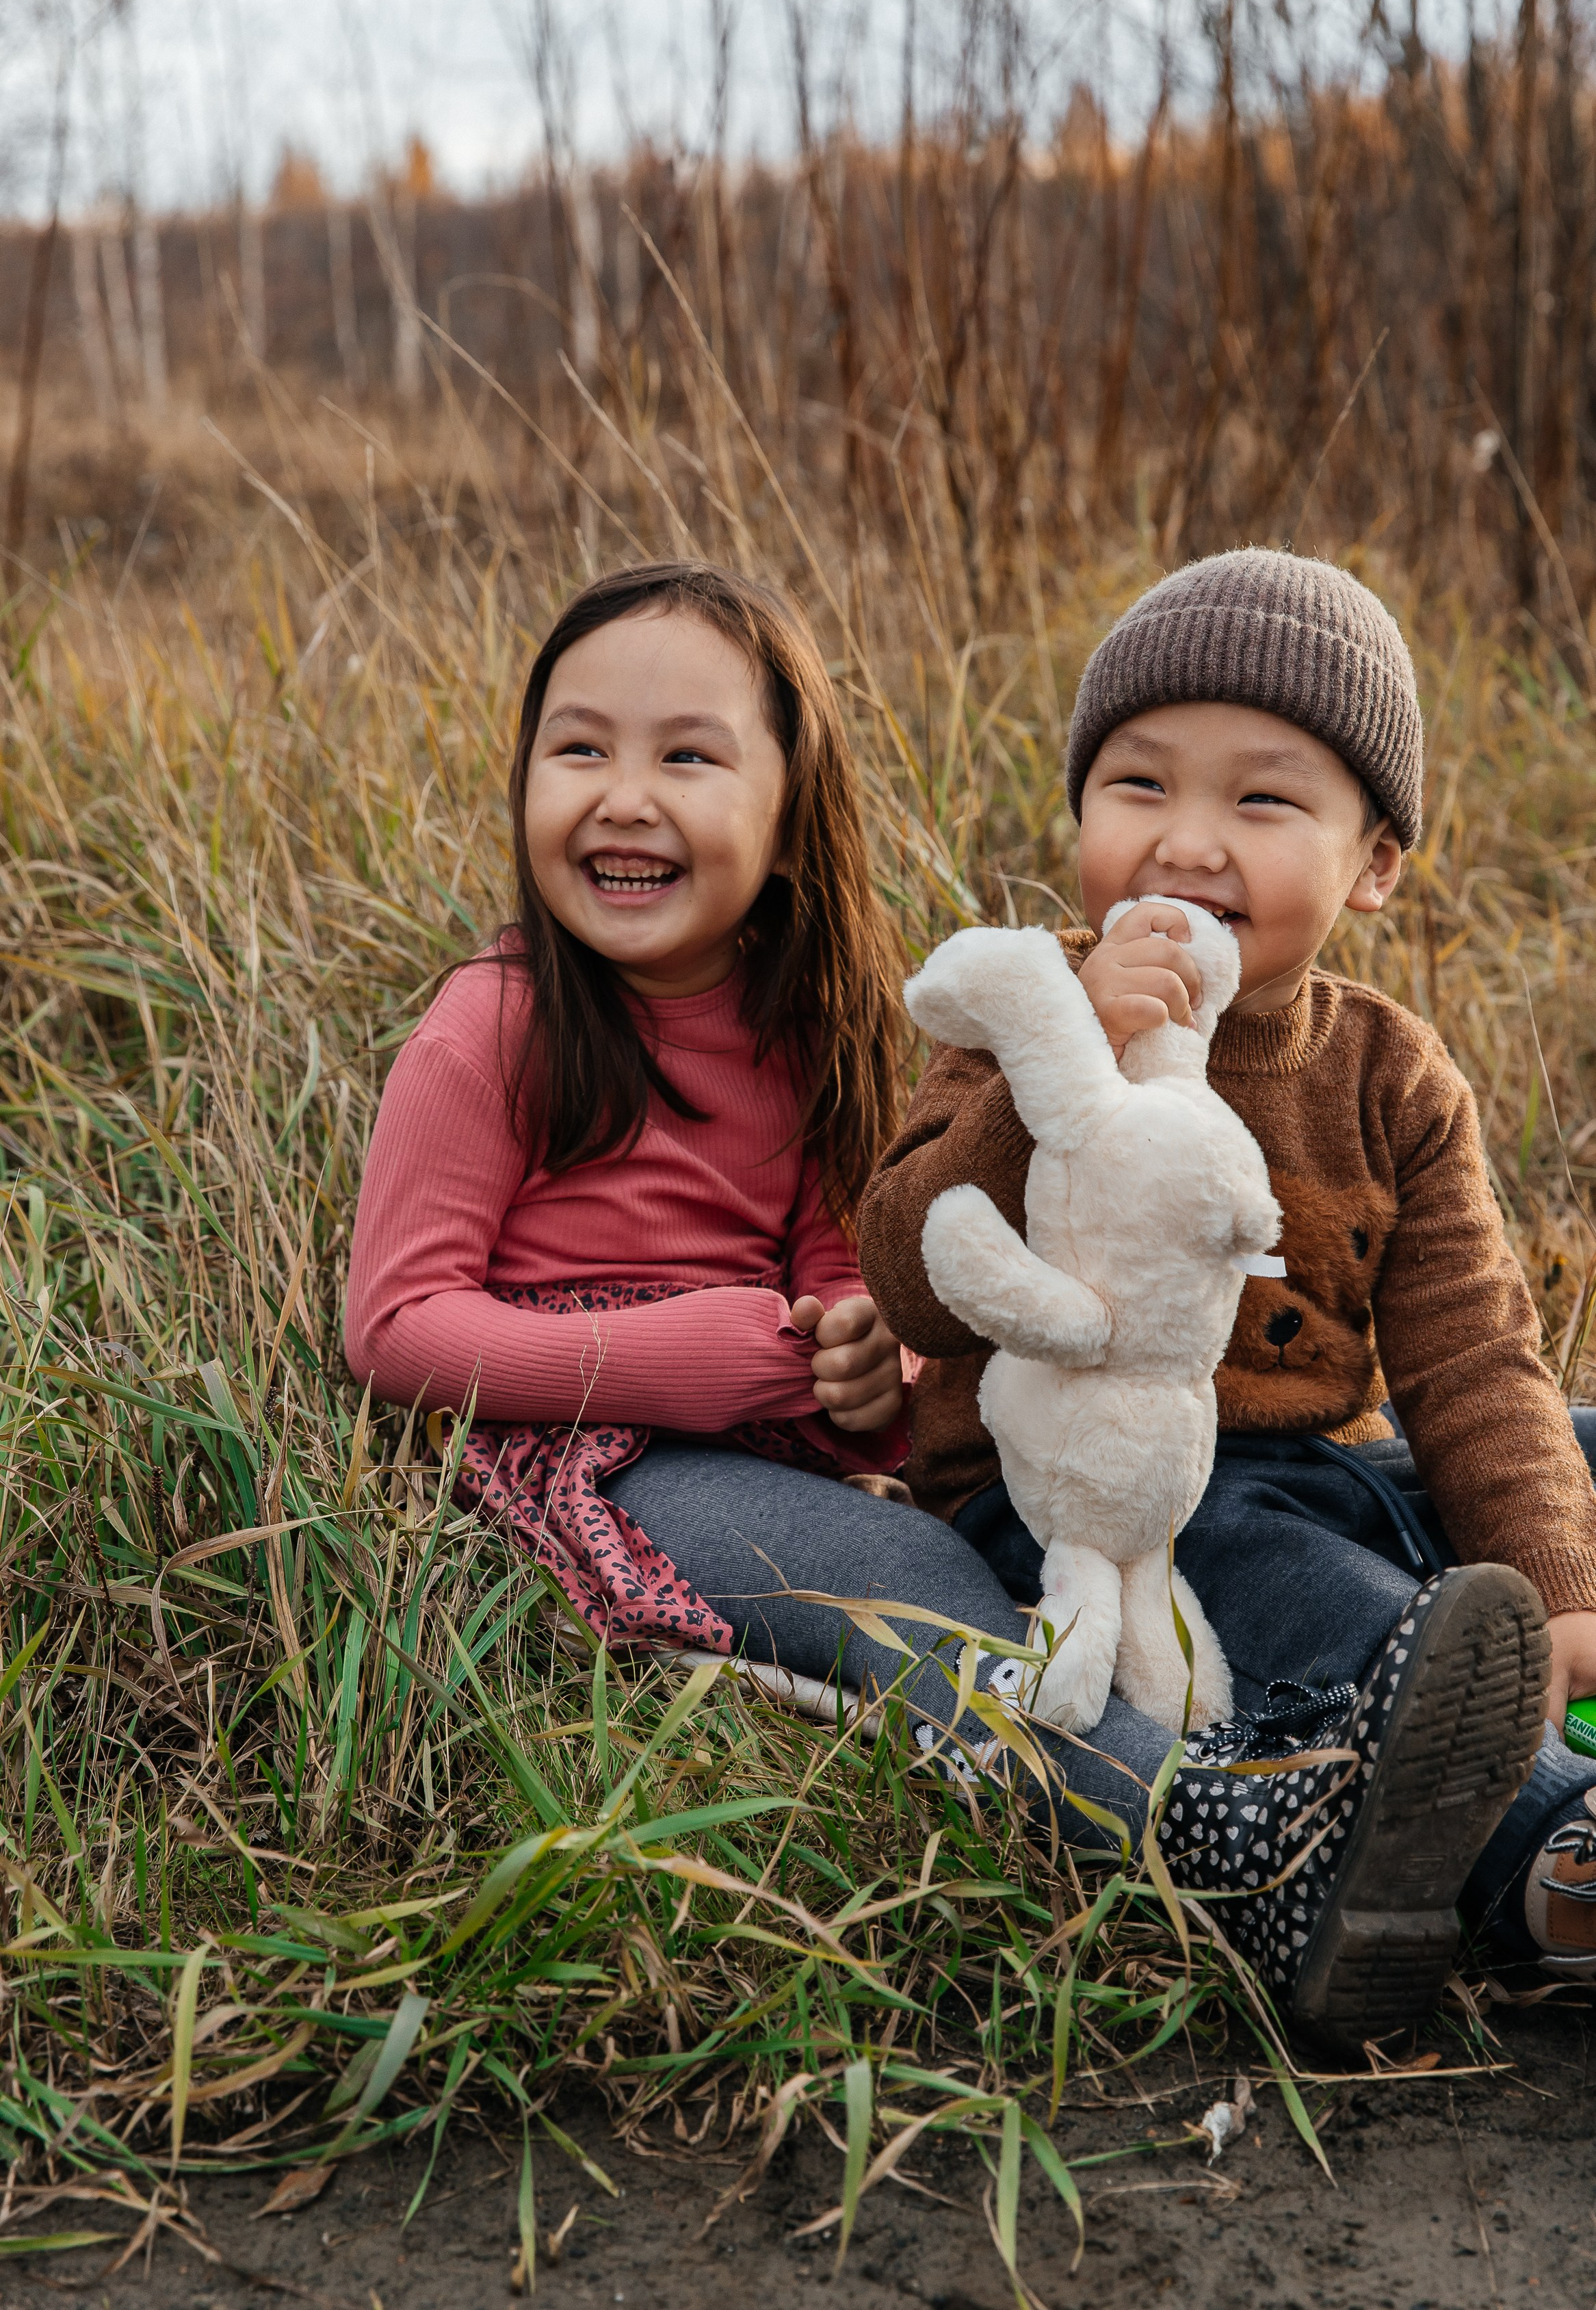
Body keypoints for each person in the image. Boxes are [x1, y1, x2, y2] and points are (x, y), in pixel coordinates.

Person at [859, 547, 1596, 2048]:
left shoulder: (1392, 1072)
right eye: (1138, 786)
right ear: (1079, 814)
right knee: (1363, 1618)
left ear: (1375, 863)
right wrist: (1036, 1089)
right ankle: (1556, 1856)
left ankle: (1519, 1656)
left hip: (1329, 1469)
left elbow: (1472, 1360)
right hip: (1099, 1507)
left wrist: (1555, 1573)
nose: (1184, 845)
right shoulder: (1021, 1007)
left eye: (1261, 801)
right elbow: (906, 1270)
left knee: (1562, 1454)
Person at [345, 562, 1069, 1787]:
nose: (623, 800)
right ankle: (1193, 1820)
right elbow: (397, 1328)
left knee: (1053, 1517)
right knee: (912, 1585)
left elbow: (831, 1253)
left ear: (790, 828)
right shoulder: (491, 1026)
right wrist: (684, 1359)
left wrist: (857, 1344)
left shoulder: (802, 1027)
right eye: (579, 751)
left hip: (766, 1433)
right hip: (591, 1453)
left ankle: (1321, 1771)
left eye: (686, 758)